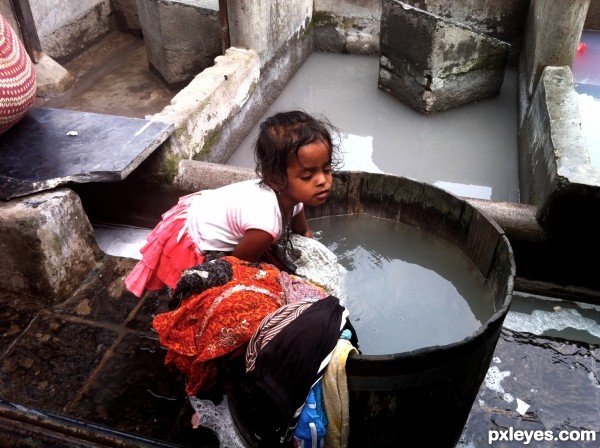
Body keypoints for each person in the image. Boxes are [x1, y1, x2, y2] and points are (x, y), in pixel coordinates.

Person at [125, 110, 341, 297]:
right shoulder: (265, 223)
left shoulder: (293, 200)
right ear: (276, 179)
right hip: (191, 233)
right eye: (307, 176)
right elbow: (238, 265)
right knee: (214, 286)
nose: (323, 181)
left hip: (207, 208)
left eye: (327, 170)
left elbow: (304, 234)